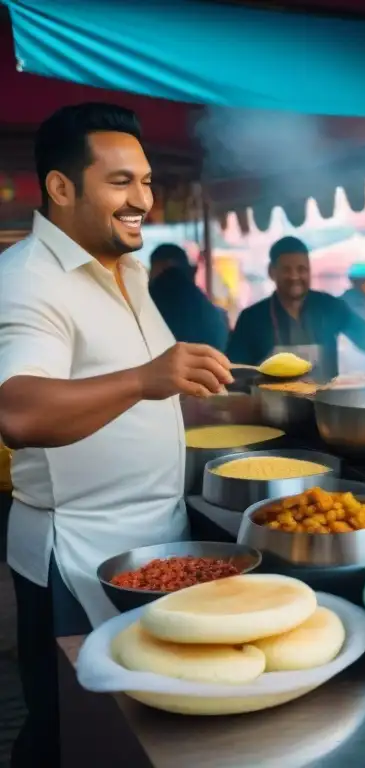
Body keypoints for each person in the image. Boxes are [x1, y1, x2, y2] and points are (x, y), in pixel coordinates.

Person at [0, 102, 233, 768]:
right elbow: (17, 411)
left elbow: (149, 390)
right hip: (74, 554)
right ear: (62, 187)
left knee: (135, 727)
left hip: (149, 542)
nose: (143, 199)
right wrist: (146, 379)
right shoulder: (26, 281)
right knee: (69, 731)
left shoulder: (126, 271)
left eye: (147, 181)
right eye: (121, 181)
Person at [226, 236, 365, 379]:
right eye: (286, 270)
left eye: (301, 269)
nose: (294, 276)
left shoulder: (329, 307)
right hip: (271, 412)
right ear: (272, 272)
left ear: (309, 271)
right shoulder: (252, 318)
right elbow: (236, 372)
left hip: (324, 410)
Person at [148, 243, 230, 351]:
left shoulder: (160, 296)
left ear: (166, 265)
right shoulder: (203, 303)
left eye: (152, 268)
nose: (149, 275)